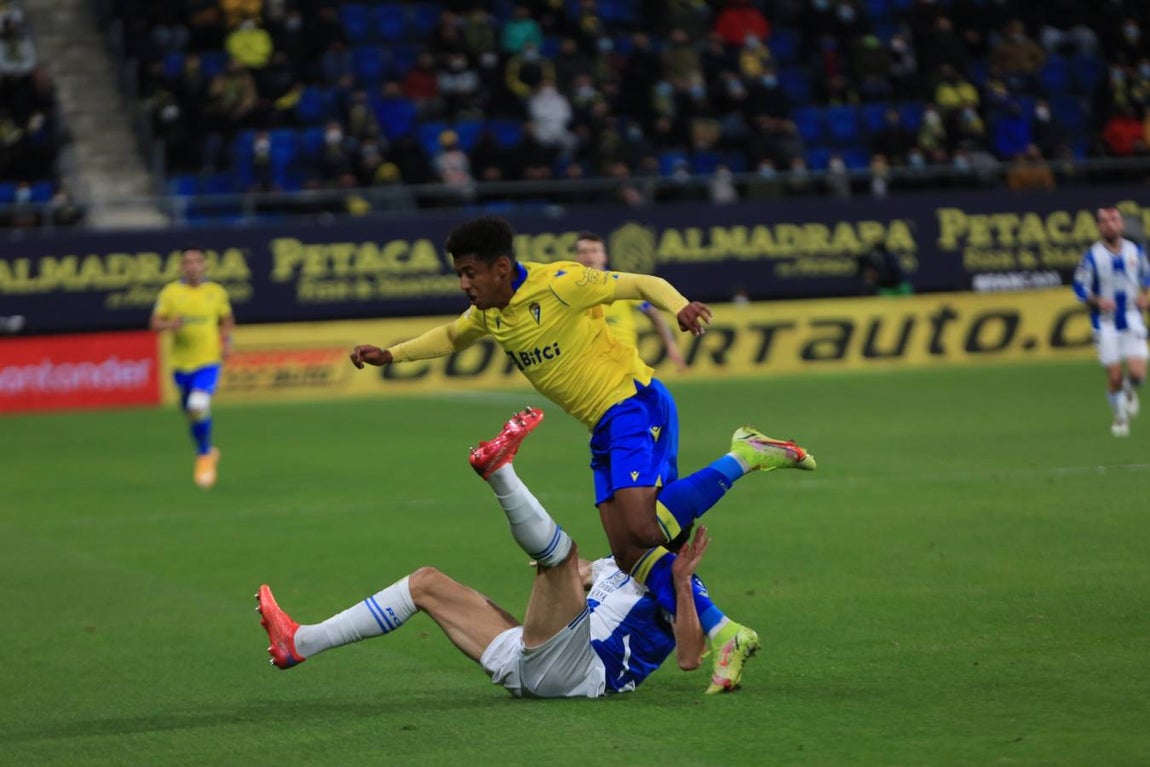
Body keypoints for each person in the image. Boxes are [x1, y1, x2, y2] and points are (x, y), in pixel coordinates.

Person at [349, 216, 816, 691]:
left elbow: (640, 282)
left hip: (634, 403)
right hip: (602, 427)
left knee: (641, 527)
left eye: (471, 272)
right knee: (630, 552)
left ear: (502, 266)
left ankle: (746, 456)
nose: (464, 284)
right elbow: (451, 337)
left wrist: (679, 306)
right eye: (459, 274)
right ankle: (725, 631)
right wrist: (392, 355)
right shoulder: (491, 313)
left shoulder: (560, 283)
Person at [257, 408, 733, 698]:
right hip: (535, 658)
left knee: (560, 557)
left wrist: (683, 584)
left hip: (582, 674)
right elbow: (583, 574)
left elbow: (690, 657)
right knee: (426, 583)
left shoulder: (676, 581)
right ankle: (300, 642)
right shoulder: (619, 565)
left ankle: (499, 471)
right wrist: (561, 575)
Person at [150, 247, 234, 487]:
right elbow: (155, 323)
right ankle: (205, 449)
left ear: (204, 265)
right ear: (181, 267)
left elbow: (226, 320)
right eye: (188, 262)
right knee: (191, 412)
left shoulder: (216, 292)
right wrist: (169, 325)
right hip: (180, 363)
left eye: (197, 261)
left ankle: (205, 454)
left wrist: (227, 342)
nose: (193, 266)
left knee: (197, 405)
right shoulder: (171, 293)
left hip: (208, 360)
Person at [1073, 207, 1150, 437]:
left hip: (1132, 318)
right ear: (1099, 227)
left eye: (1114, 220)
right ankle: (1120, 417)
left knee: (1137, 375)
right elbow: (1079, 288)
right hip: (1104, 323)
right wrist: (1098, 301)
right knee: (1114, 376)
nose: (1110, 225)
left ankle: (1128, 389)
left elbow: (1146, 277)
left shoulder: (1135, 251)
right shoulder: (1091, 257)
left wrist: (1145, 296)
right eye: (1105, 221)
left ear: (1121, 225)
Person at [573, 231, 688, 372]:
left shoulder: (620, 284)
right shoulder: (570, 290)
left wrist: (671, 347)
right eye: (583, 252)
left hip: (625, 363)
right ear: (576, 257)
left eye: (594, 251)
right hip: (591, 366)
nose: (589, 256)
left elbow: (654, 315)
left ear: (604, 256)